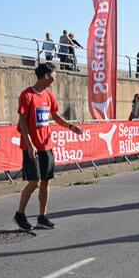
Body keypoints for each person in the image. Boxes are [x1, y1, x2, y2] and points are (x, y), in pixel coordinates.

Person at [14, 62, 83, 230]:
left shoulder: (49, 95)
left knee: (45, 182)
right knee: (34, 182)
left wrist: (71, 127)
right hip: (32, 147)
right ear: (46, 76)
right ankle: (20, 214)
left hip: (47, 146)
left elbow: (56, 116)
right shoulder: (27, 95)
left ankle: (42, 217)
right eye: (54, 74)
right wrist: (30, 144)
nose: (56, 77)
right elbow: (21, 121)